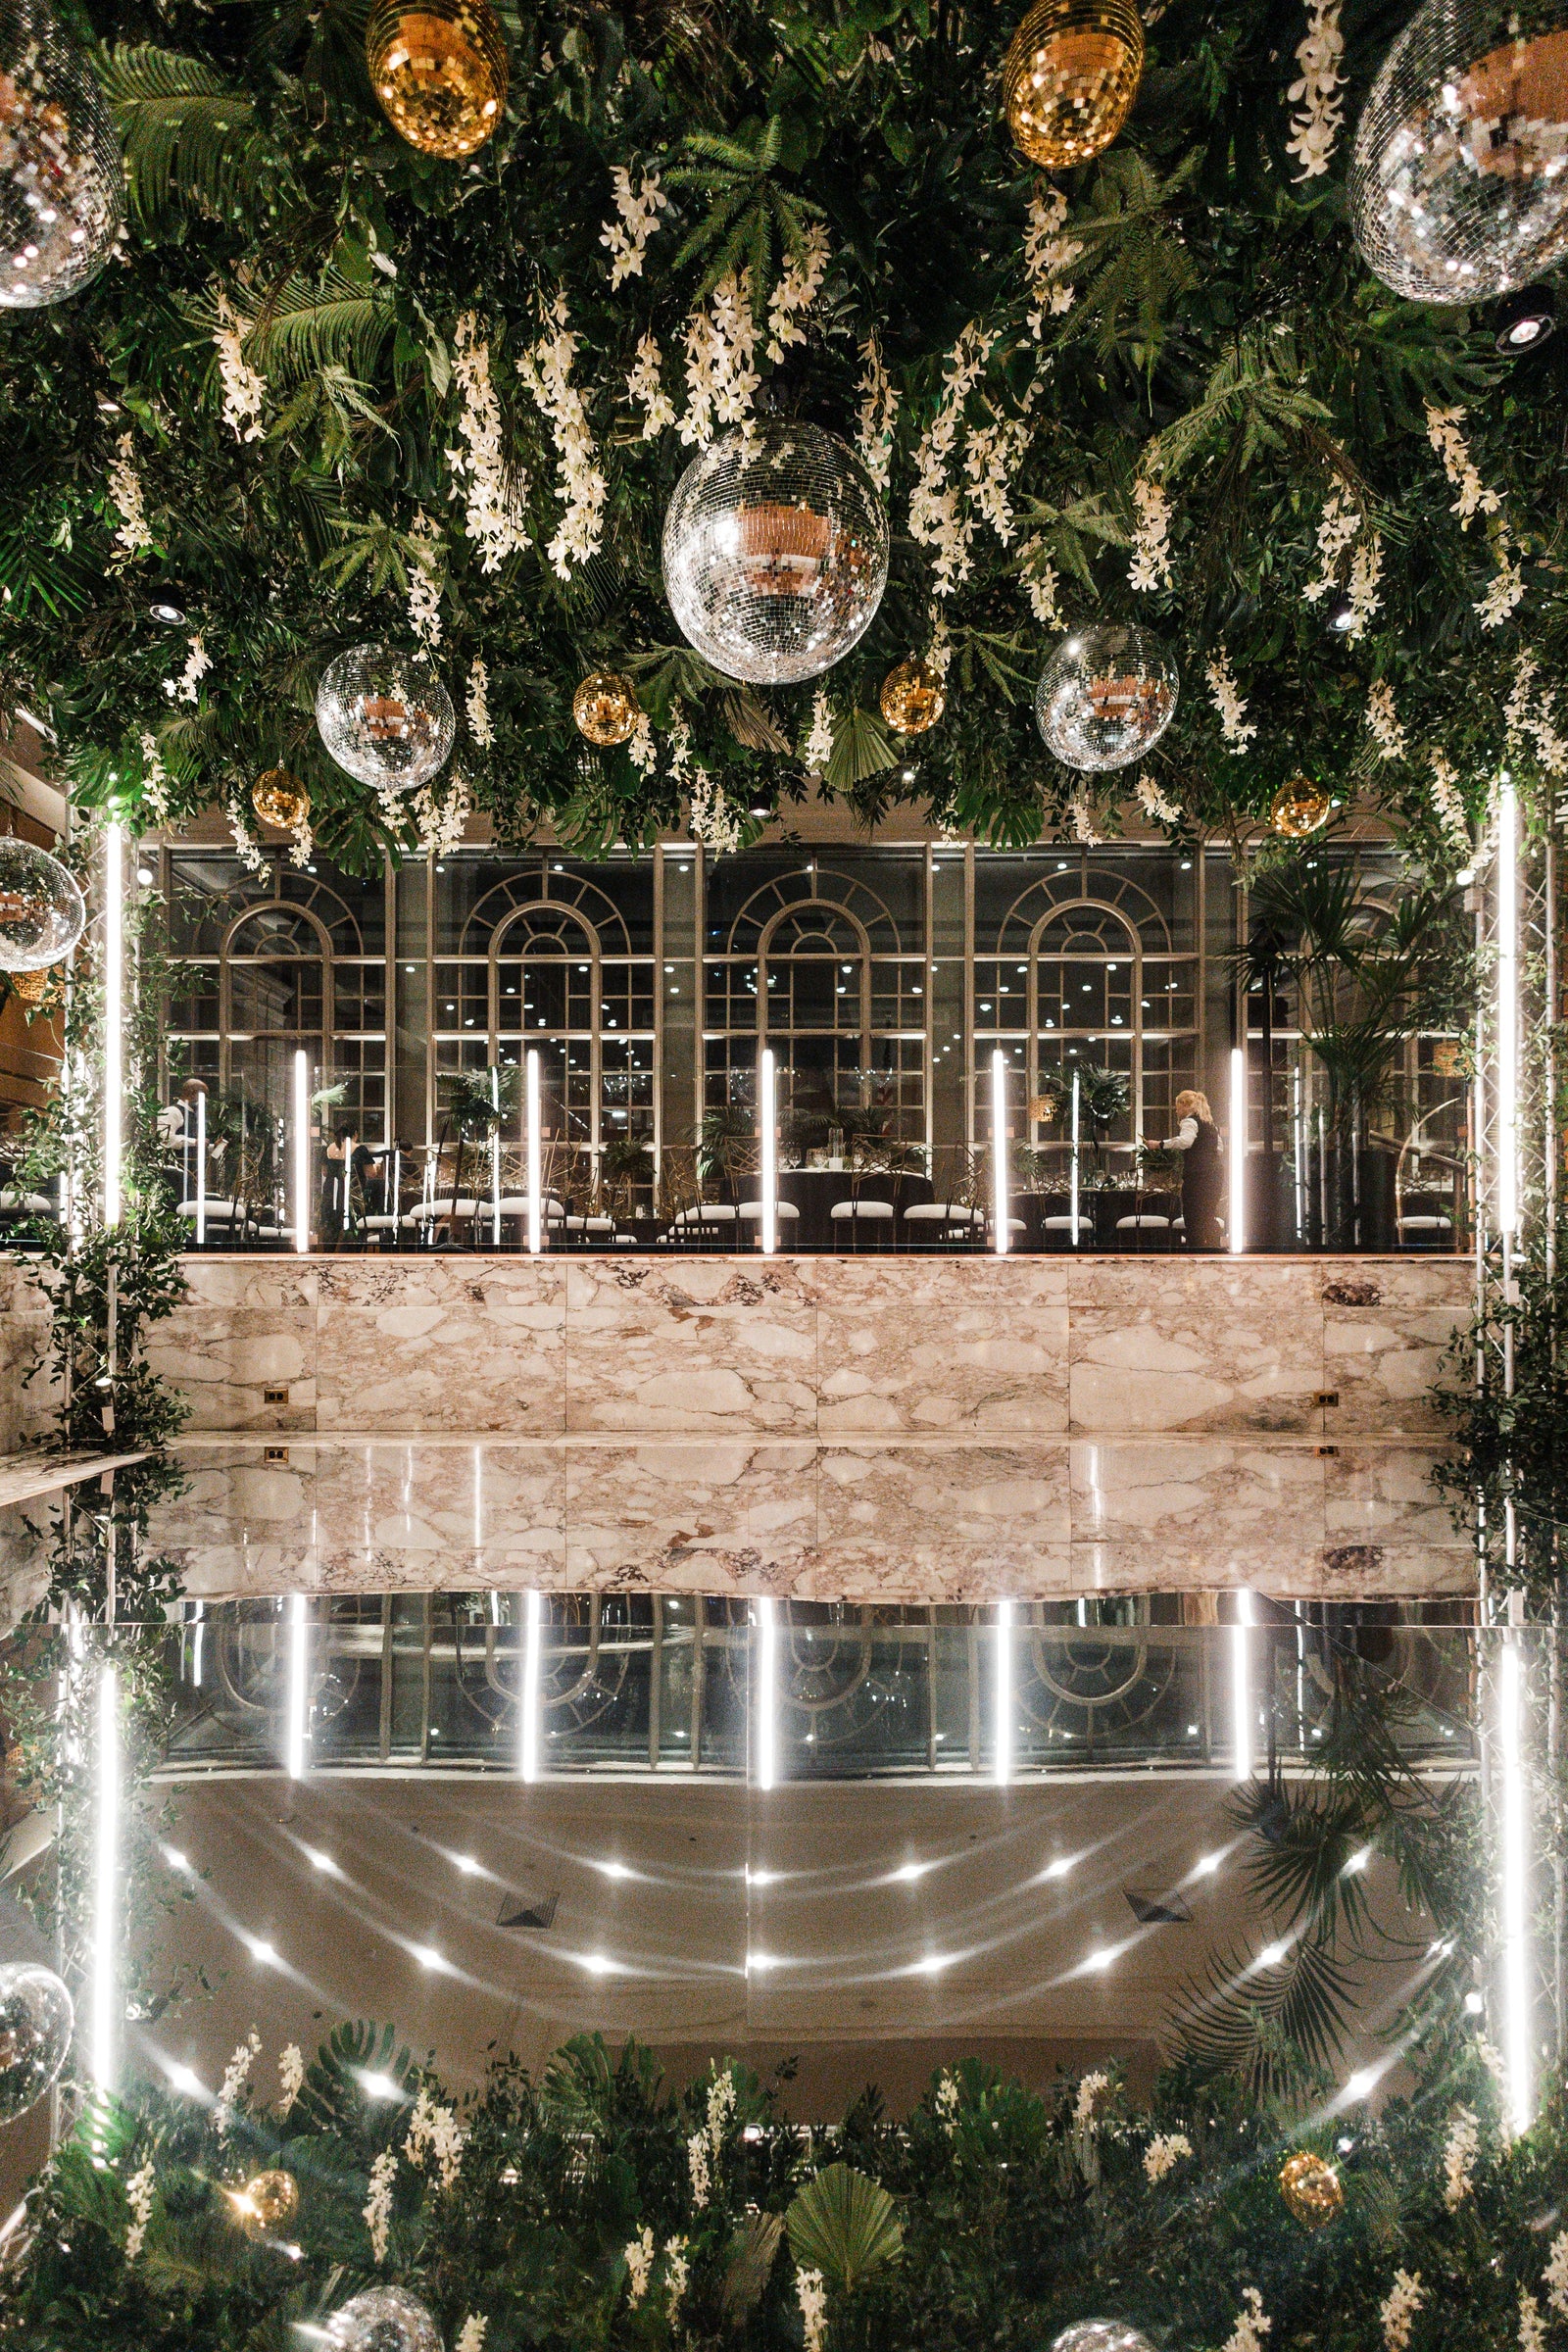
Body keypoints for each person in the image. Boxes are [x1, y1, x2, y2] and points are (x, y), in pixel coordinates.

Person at [1153, 1087, 1224, 1250]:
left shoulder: (1189, 1121)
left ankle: (1196, 1250)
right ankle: (1214, 1249)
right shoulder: (1210, 1124)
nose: (1176, 1110)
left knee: (1192, 1215)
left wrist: (1160, 1144)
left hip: (1198, 1175)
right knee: (1208, 1213)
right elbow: (1219, 1148)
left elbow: (1186, 1141)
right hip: (1215, 1174)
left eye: (1178, 1106)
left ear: (1186, 1106)